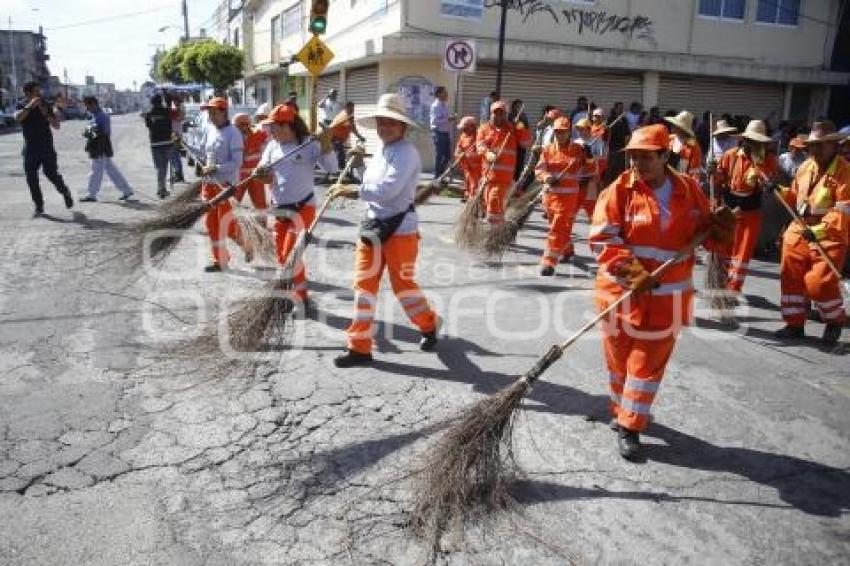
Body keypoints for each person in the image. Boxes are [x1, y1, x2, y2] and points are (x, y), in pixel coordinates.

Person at [588, 123, 734, 460]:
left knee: (645, 365)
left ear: (665, 156)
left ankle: (630, 426)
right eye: (633, 157)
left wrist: (720, 230)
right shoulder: (619, 190)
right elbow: (602, 238)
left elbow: (704, 235)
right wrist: (631, 271)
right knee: (618, 362)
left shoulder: (690, 190)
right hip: (619, 295)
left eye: (645, 157)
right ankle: (621, 410)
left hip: (668, 298)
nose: (637, 164)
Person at [328, 93, 439, 368]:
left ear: (402, 127)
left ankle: (428, 324)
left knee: (404, 288)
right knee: (363, 287)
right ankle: (359, 347)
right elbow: (374, 178)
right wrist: (359, 160)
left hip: (401, 231)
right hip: (373, 227)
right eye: (381, 121)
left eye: (390, 122)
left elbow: (388, 190)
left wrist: (354, 191)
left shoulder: (408, 153)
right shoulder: (382, 149)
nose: (384, 126)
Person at [253, 104, 337, 305]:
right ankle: (297, 295)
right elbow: (262, 171)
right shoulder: (272, 146)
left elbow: (332, 168)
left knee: (292, 254)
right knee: (283, 257)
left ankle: (298, 299)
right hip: (280, 210)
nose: (271, 131)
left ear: (288, 126)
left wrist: (326, 145)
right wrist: (260, 175)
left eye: (274, 127)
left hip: (303, 208)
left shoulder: (309, 144)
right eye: (270, 127)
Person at [774, 121, 849, 345]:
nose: (814, 150)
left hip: (829, 234)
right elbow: (796, 196)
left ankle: (835, 320)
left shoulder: (846, 173)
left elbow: (844, 211)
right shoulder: (806, 167)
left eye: (820, 145)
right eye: (812, 145)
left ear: (835, 145)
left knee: (819, 283)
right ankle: (794, 324)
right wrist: (779, 190)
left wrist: (818, 230)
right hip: (799, 228)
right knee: (790, 279)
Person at [712, 119, 779, 294]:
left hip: (750, 212)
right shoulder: (731, 155)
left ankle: (733, 290)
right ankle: (720, 281)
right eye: (751, 140)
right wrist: (712, 172)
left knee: (742, 254)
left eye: (758, 141)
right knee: (724, 249)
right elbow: (719, 179)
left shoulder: (768, 159)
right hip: (728, 209)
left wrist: (766, 178)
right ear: (745, 139)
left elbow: (768, 184)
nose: (754, 144)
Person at [535, 116, 596, 274]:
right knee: (559, 228)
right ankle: (568, 250)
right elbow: (539, 169)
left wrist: (589, 158)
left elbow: (591, 170)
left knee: (557, 228)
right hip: (550, 197)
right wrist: (547, 177)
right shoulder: (548, 150)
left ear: (569, 132)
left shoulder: (578, 150)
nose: (560, 135)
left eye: (563, 132)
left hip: (568, 199)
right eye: (557, 132)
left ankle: (549, 262)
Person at [197, 97, 252, 272]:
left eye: (214, 112)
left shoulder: (233, 133)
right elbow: (202, 153)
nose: (211, 116)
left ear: (223, 112)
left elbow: (237, 162)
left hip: (226, 186)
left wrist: (216, 168)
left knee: (226, 225)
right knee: (211, 225)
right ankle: (220, 260)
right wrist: (182, 145)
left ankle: (247, 244)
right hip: (209, 184)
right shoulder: (209, 130)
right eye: (209, 113)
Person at [14, 81, 73, 216]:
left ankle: (65, 192)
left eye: (39, 91)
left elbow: (56, 126)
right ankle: (39, 205)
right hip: (30, 148)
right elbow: (17, 118)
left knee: (51, 173)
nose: (39, 94)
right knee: (31, 178)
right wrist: (30, 106)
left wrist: (46, 113)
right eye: (36, 92)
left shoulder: (45, 104)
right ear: (27, 93)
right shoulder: (21, 105)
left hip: (46, 147)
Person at [476, 100, 532, 224]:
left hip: (503, 178)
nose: (498, 116)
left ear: (506, 115)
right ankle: (498, 230)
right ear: (491, 114)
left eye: (501, 113)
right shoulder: (484, 128)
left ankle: (492, 233)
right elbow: (480, 145)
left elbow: (525, 142)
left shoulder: (512, 129)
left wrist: (520, 127)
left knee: (494, 201)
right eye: (495, 113)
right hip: (487, 175)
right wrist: (487, 153)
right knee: (490, 203)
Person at [79, 96, 134, 202]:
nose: (87, 108)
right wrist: (88, 132)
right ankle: (127, 190)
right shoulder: (96, 116)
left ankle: (91, 194)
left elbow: (104, 132)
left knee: (96, 171)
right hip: (99, 146)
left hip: (100, 146)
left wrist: (88, 132)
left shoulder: (101, 116)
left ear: (93, 104)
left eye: (88, 105)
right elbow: (94, 130)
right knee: (112, 170)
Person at [233, 113, 268, 209]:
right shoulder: (232, 137)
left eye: (243, 124)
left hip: (255, 175)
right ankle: (230, 223)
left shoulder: (260, 135)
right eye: (237, 126)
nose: (240, 128)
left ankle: (261, 224)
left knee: (260, 205)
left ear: (247, 124)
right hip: (239, 176)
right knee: (233, 204)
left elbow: (266, 154)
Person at [143, 94, 174, 198]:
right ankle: (161, 189)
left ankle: (161, 189)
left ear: (152, 103)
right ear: (161, 101)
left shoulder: (149, 114)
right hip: (167, 143)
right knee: (164, 167)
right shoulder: (167, 111)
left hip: (155, 144)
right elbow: (170, 124)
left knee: (159, 168)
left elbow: (148, 126)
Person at [575, 117, 605, 220]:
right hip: (577, 176)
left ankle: (594, 226)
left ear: (588, 129)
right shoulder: (575, 142)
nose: (580, 131)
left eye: (582, 128)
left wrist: (589, 154)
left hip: (591, 176)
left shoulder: (596, 141)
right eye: (578, 129)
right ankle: (566, 228)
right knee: (575, 203)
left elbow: (600, 157)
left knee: (590, 203)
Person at [665, 111, 703, 182]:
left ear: (682, 128)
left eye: (675, 124)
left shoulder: (693, 146)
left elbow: (694, 172)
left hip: (682, 183)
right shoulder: (669, 139)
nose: (672, 125)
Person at [329, 101, 366, 173]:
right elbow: (352, 128)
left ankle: (339, 170)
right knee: (340, 154)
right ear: (346, 108)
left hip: (338, 138)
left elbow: (352, 127)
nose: (352, 110)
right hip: (335, 138)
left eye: (353, 109)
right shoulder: (345, 116)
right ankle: (340, 171)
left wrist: (360, 137)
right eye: (351, 109)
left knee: (340, 153)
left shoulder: (347, 114)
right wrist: (360, 137)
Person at [429, 86, 455, 180]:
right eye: (445, 92)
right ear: (439, 94)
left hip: (445, 133)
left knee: (447, 156)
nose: (447, 94)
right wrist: (448, 119)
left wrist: (449, 118)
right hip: (439, 133)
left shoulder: (444, 105)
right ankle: (437, 177)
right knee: (440, 156)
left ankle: (440, 175)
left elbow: (443, 119)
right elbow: (435, 121)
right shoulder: (436, 106)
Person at [455, 116, 481, 202]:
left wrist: (467, 155)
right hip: (467, 167)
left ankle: (473, 199)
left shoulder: (479, 136)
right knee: (467, 182)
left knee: (475, 184)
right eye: (463, 128)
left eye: (465, 128)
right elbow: (458, 149)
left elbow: (481, 152)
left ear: (472, 126)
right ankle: (467, 195)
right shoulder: (463, 136)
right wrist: (459, 154)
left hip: (477, 168)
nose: (463, 130)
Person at [604, 102, 630, 184]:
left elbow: (627, 133)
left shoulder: (624, 120)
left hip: (622, 148)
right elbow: (607, 133)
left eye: (622, 108)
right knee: (611, 168)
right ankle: (608, 185)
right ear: (615, 109)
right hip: (613, 148)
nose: (621, 110)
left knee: (620, 168)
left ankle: (618, 185)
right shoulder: (611, 120)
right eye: (619, 108)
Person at [168, 92, 186, 182]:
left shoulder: (180, 108)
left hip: (176, 134)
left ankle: (179, 174)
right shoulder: (175, 108)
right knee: (173, 155)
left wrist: (175, 111)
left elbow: (180, 118)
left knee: (174, 155)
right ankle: (178, 174)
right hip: (174, 133)